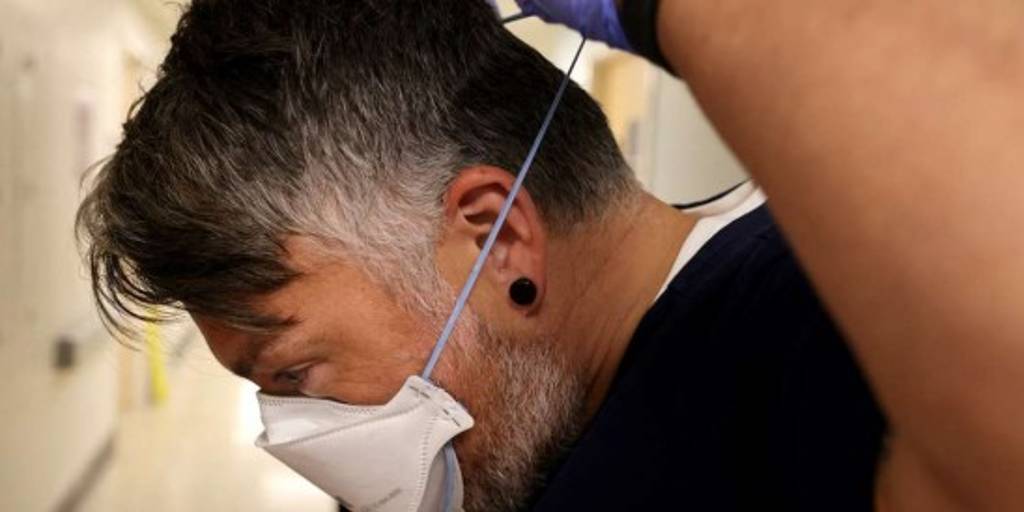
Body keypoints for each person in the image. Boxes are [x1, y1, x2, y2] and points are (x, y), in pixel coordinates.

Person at [74, 0, 1022, 511]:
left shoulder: (812, 347)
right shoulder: (534, 434)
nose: (293, 433)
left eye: (296, 373)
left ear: (494, 239)